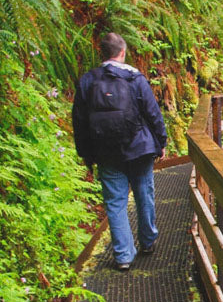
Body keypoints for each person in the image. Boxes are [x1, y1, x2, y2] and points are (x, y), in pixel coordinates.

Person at [72, 32, 168, 271]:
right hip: (140, 149)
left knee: (115, 202)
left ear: (101, 53)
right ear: (122, 53)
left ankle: (123, 256)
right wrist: (161, 141)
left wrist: (86, 154)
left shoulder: (88, 81)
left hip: (106, 152)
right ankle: (147, 241)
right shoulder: (135, 78)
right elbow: (152, 112)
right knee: (144, 194)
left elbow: (80, 121)